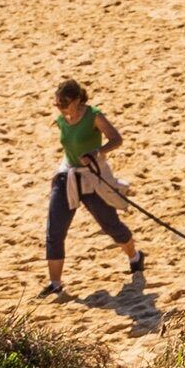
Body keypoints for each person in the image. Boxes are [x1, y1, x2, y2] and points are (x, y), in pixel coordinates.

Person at [42, 79, 142, 295]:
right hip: (67, 175)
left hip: (92, 176)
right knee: (55, 230)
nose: (60, 108)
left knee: (110, 225)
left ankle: (135, 257)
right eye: (57, 104)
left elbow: (116, 139)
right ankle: (55, 284)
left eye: (64, 103)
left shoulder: (93, 116)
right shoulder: (61, 119)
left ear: (77, 100)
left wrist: (97, 152)